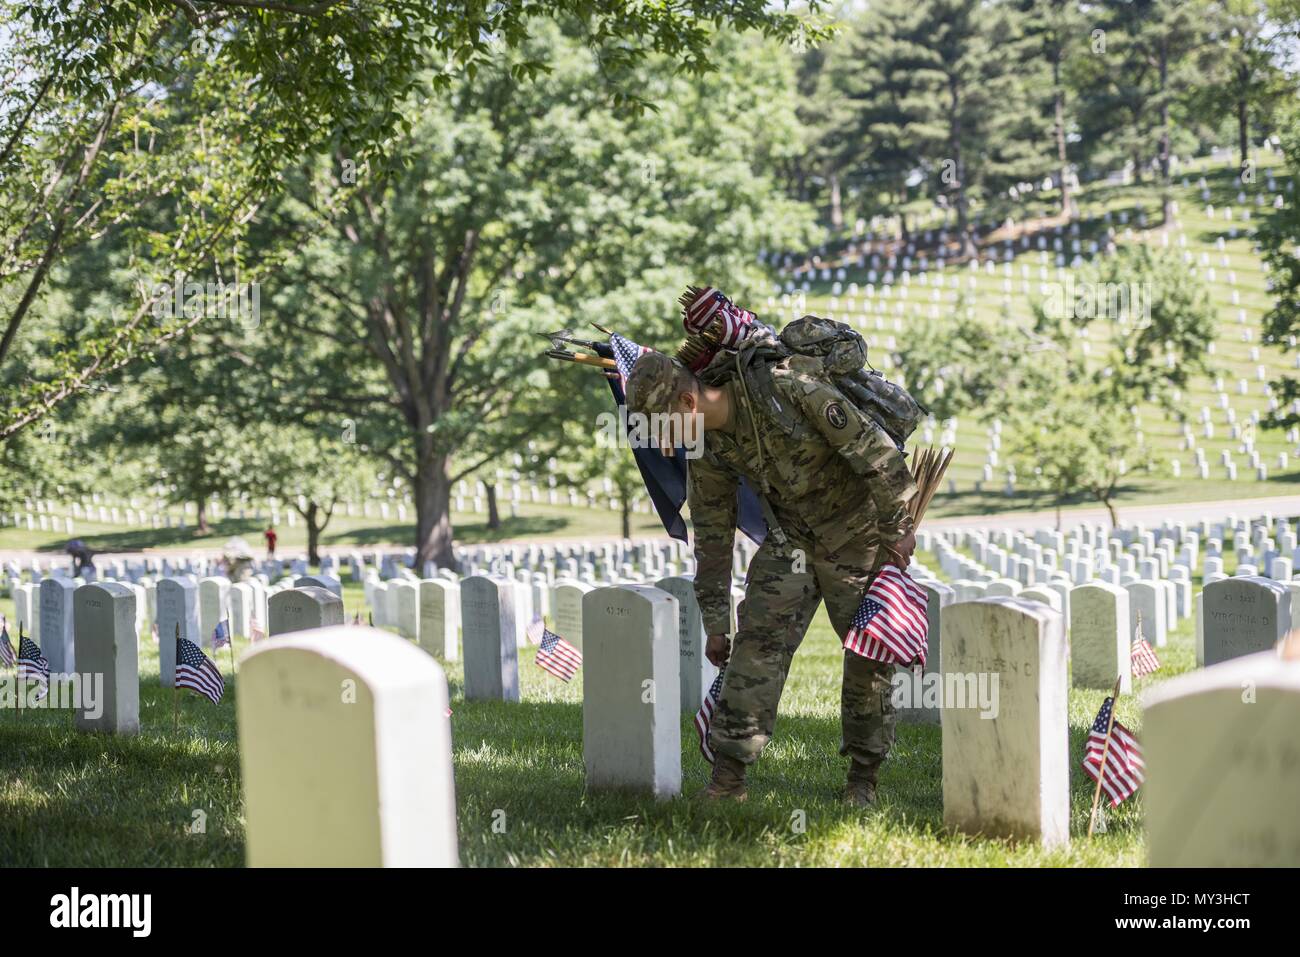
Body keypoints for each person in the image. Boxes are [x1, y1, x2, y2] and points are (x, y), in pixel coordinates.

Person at [625, 349, 917, 806]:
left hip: (856, 533)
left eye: (663, 428)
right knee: (757, 646)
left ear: (687, 401)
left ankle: (863, 779)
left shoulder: (786, 389)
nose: (664, 445)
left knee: (867, 656)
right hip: (792, 540)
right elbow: (714, 532)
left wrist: (897, 529)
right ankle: (728, 781)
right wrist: (717, 621)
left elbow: (872, 448)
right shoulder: (709, 445)